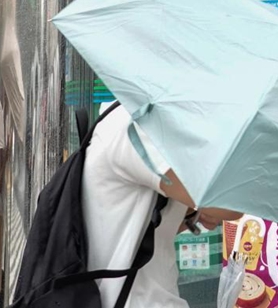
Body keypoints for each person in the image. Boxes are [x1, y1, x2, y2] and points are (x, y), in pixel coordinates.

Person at [82, 103, 242, 307]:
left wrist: (193, 215)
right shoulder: (137, 127)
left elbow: (160, 227)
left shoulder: (136, 124)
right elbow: (226, 205)